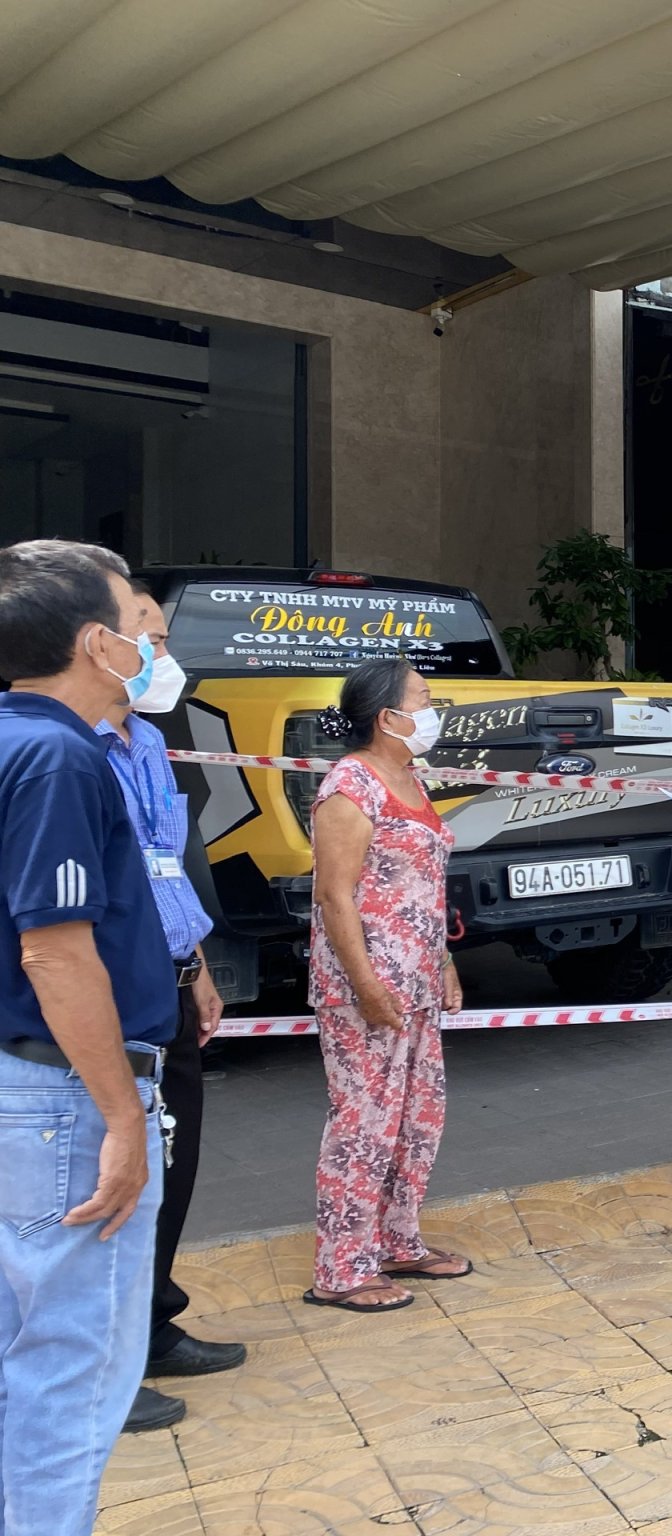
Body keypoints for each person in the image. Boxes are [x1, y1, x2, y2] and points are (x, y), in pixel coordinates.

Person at [0, 539, 175, 1536]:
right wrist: (120, 1116)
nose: (148, 645)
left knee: (20, 1357)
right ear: (93, 643)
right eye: (133, 624)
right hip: (61, 1098)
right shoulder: (59, 756)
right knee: (73, 1367)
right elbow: (56, 953)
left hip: (20, 1090)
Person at [97, 581, 245, 1434]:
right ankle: (99, 1363)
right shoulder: (62, 748)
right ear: (97, 641)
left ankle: (150, 1322)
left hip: (170, 973)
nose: (164, 653)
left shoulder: (147, 740)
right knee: (107, 1172)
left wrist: (198, 968)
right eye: (151, 631)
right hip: (104, 986)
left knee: (171, 1158)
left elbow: (166, 864)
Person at [304, 659, 466, 1312]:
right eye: (423, 699)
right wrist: (366, 983)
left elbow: (421, 885)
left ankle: (397, 1241)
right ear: (387, 715)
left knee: (414, 1122)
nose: (433, 709)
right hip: (364, 989)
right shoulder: (350, 783)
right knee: (363, 1126)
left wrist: (445, 961)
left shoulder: (410, 776)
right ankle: (341, 1268)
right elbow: (334, 896)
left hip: (417, 983)